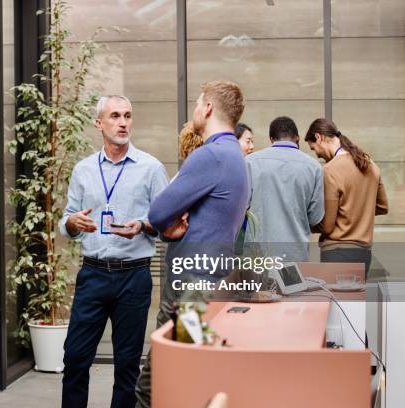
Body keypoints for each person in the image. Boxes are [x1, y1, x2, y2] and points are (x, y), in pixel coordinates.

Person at [136, 80, 250, 408]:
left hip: (189, 293)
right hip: (207, 287)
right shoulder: (236, 157)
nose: (195, 110)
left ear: (209, 108)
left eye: (198, 103)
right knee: (187, 380)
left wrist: (165, 226)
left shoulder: (209, 156)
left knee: (157, 385)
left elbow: (157, 212)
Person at [59, 95, 168, 408]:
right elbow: (66, 220)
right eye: (115, 116)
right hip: (92, 274)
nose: (123, 122)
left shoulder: (151, 168)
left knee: (127, 366)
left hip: (133, 277)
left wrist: (145, 225)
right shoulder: (83, 170)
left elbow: (166, 225)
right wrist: (73, 222)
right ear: (99, 123)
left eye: (128, 116)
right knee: (76, 358)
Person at [305, 118, 388, 276]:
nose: (317, 155)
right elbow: (383, 207)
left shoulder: (330, 170)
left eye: (313, 148)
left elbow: (328, 226)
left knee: (337, 300)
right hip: (364, 253)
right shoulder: (370, 165)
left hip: (337, 252)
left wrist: (305, 222)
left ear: (319, 137)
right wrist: (357, 211)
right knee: (355, 300)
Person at [244, 116, 324, 261]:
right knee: (295, 285)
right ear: (297, 139)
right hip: (295, 256)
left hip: (257, 257)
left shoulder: (250, 162)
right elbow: (315, 218)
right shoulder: (314, 167)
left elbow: (240, 208)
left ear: (271, 139)